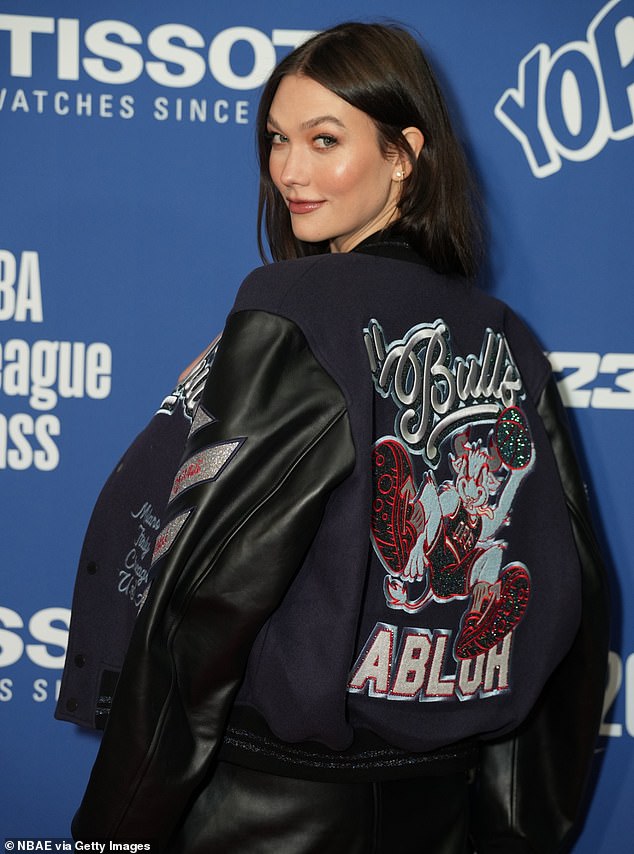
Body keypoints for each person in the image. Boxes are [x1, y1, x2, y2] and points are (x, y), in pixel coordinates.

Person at [63, 22, 608, 853]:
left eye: (325, 140)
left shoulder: (298, 311)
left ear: (403, 154)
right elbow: (570, 617)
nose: (289, 170)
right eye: (278, 140)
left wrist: (113, 831)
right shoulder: (509, 341)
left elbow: (208, 597)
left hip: (264, 814)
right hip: (441, 814)